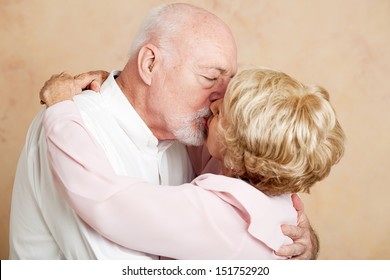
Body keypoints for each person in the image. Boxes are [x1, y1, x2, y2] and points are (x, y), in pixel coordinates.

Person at [9, 3, 318, 259]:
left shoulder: (190, 132)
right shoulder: (69, 127)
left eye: (230, 84)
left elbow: (256, 165)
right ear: (150, 64)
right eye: (211, 77)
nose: (221, 99)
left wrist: (302, 240)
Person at [40, 67, 345, 259]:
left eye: (221, 112)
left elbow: (102, 199)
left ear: (240, 147)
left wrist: (61, 108)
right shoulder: (272, 195)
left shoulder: (212, 216)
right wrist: (123, 89)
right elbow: (200, 146)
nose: (212, 105)